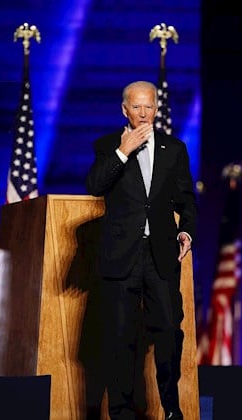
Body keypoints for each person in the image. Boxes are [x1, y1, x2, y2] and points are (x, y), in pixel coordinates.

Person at [85, 80, 197, 420]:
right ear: (124, 110)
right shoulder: (107, 145)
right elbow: (94, 186)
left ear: (156, 108)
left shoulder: (173, 149)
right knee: (120, 337)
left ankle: (171, 408)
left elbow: (186, 198)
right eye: (137, 107)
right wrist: (124, 151)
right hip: (122, 257)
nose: (144, 113)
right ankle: (120, 412)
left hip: (160, 256)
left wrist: (186, 230)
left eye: (149, 106)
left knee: (167, 331)